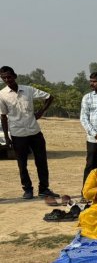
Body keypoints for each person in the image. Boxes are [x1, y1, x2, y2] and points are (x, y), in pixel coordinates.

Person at [0, 65, 59, 199]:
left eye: (9, 76)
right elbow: (3, 116)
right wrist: (8, 138)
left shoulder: (28, 90)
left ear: (14, 76)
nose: (7, 79)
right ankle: (28, 190)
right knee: (22, 164)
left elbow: (49, 97)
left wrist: (41, 111)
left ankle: (44, 188)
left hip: (34, 132)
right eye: (4, 78)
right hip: (17, 134)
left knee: (41, 161)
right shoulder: (2, 95)